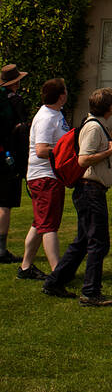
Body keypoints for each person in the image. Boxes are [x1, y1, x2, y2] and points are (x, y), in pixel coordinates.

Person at [42, 87, 112, 306]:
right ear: (110, 108)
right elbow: (83, 160)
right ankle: (90, 291)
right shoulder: (94, 128)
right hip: (90, 190)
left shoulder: (93, 124)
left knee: (83, 241)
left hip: (89, 190)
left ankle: (55, 281)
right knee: (98, 242)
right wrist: (109, 152)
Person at [18, 77, 69, 280]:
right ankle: (57, 272)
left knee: (39, 223)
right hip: (44, 176)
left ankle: (25, 267)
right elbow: (41, 150)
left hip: (49, 176)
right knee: (49, 225)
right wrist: (66, 150)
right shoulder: (47, 117)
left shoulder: (56, 114)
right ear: (61, 95)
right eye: (65, 90)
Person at [0, 63, 30, 264]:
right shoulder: (16, 101)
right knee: (4, 204)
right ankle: (1, 249)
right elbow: (22, 131)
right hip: (8, 157)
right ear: (15, 82)